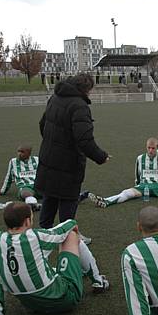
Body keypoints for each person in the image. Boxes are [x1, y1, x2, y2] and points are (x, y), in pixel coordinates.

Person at [0, 202, 109, 315]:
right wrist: (72, 223)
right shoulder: (33, 237)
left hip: (31, 305)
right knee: (71, 236)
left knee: (40, 267)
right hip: (65, 300)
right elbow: (59, 233)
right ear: (27, 221)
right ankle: (98, 282)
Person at [35, 73, 110, 229]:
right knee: (68, 201)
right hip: (68, 164)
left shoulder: (54, 98)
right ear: (86, 89)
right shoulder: (79, 106)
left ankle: (43, 236)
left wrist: (53, 143)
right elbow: (84, 140)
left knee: (50, 197)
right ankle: (68, 237)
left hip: (48, 157)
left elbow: (43, 125)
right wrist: (101, 157)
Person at [0, 144, 41, 210]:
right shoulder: (13, 162)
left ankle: (32, 205)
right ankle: (34, 205)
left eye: (22, 152)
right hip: (25, 187)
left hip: (38, 185)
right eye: (18, 151)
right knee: (26, 193)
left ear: (29, 153)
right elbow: (8, 177)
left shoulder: (36, 160)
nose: (19, 154)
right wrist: (2, 191)